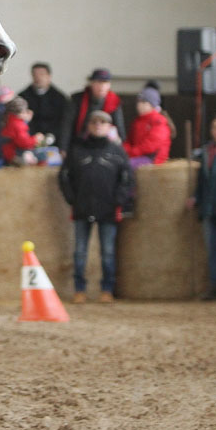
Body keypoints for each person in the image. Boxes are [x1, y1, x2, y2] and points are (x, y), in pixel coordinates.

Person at [59, 110, 133, 304]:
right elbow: (64, 176)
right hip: (82, 208)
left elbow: (127, 179)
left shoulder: (117, 151)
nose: (98, 125)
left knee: (108, 252)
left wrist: (118, 200)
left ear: (109, 127)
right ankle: (79, 290)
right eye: (94, 122)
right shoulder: (77, 149)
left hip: (108, 209)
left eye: (103, 122)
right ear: (88, 126)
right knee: (80, 251)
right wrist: (72, 199)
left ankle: (107, 290)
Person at [187, 114, 216, 300]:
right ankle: (215, 286)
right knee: (212, 248)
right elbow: (202, 181)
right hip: (208, 207)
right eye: (214, 128)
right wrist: (195, 198)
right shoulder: (207, 152)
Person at [61, 68, 125, 154]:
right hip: (79, 143)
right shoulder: (77, 99)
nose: (102, 86)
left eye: (105, 83)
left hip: (105, 145)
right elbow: (67, 126)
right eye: (98, 82)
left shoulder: (115, 101)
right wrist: (63, 149)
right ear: (91, 83)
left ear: (109, 85)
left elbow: (119, 128)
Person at [18, 61, 67, 146]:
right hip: (28, 140)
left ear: (49, 76)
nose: (38, 78)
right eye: (35, 74)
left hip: (54, 140)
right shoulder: (23, 97)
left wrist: (51, 136)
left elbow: (63, 122)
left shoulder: (60, 98)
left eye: (41, 74)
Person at [122, 85, 171, 168]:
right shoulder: (137, 121)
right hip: (137, 156)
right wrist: (124, 149)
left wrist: (131, 152)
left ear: (152, 105)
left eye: (143, 102)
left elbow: (151, 145)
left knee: (126, 165)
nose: (139, 105)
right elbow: (130, 140)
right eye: (138, 101)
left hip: (153, 159)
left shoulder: (158, 121)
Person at [0, 96, 43, 165]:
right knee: (42, 156)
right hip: (14, 153)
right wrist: (36, 139)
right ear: (19, 113)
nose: (28, 112)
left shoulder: (9, 120)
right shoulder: (19, 125)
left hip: (7, 151)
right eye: (25, 111)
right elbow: (24, 143)